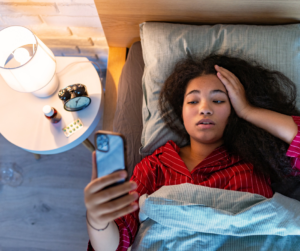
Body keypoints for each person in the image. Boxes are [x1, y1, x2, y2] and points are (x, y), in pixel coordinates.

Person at [84, 53, 300, 251]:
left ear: (232, 110)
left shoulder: (256, 158)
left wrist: (249, 110)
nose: (204, 108)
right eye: (193, 101)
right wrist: (97, 220)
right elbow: (117, 243)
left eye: (218, 100)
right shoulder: (154, 166)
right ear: (182, 111)